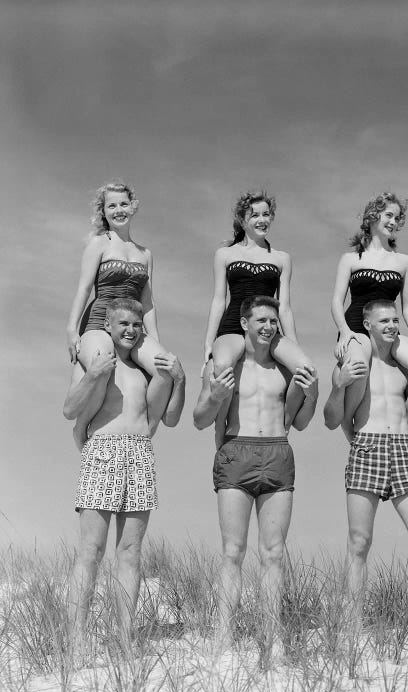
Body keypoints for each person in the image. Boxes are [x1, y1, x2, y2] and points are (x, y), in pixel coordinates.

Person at [194, 295, 318, 655]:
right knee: (233, 551)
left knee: (274, 553)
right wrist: (216, 395)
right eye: (261, 320)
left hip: (278, 453)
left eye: (273, 322)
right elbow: (199, 419)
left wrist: (309, 395)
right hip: (237, 451)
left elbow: (300, 422)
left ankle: (273, 636)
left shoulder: (284, 370)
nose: (268, 327)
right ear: (244, 323)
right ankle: (223, 635)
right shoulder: (224, 368)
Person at [64, 297, 185, 646]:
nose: (131, 330)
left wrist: (179, 381)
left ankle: (124, 637)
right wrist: (93, 374)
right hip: (103, 451)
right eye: (123, 324)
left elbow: (169, 419)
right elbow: (69, 409)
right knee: (91, 549)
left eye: (136, 325)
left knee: (131, 552)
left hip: (140, 453)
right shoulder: (95, 361)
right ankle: (76, 639)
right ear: (108, 327)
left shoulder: (145, 371)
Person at [324, 299, 408, 610]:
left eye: (395, 320)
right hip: (368, 447)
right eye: (385, 321)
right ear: (367, 325)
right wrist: (338, 386)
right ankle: (351, 618)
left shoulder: (406, 370)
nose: (393, 326)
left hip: (403, 449)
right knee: (359, 544)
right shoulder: (355, 365)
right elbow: (332, 419)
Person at [66, 181, 173, 450]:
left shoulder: (145, 253)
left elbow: (147, 303)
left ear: (133, 206)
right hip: (100, 320)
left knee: (165, 369)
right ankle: (82, 427)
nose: (118, 210)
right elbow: (84, 287)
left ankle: (148, 429)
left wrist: (156, 340)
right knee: (104, 364)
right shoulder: (99, 244)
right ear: (104, 211)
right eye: (111, 205)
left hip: (132, 325)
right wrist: (71, 329)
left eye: (123, 204)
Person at [204, 190, 314, 446]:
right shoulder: (225, 254)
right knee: (221, 369)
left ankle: (281, 431)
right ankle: (221, 442)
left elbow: (284, 307)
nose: (261, 219)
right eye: (255, 215)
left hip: (268, 328)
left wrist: (294, 344)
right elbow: (218, 300)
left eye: (266, 214)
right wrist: (209, 343)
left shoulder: (281, 258)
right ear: (243, 220)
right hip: (233, 325)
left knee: (305, 369)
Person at [331, 192, 408, 434]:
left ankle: (402, 422)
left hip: (389, 330)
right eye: (388, 215)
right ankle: (350, 428)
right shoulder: (350, 259)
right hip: (356, 328)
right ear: (373, 216)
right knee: (359, 366)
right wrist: (344, 331)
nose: (393, 222)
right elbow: (337, 302)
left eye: (397, 218)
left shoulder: (403, 262)